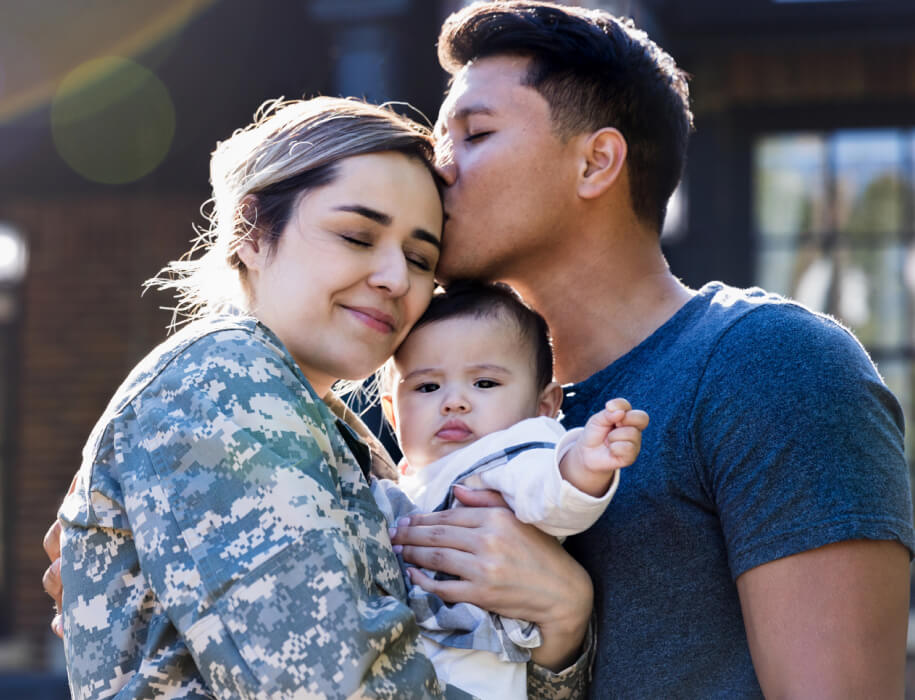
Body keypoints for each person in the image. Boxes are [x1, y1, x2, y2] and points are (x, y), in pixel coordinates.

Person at [383, 2, 915, 698]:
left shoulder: (772, 366)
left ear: (595, 162)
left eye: (474, 134)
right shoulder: (438, 400)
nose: (437, 169)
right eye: (435, 142)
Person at [51, 95, 592, 699]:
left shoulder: (339, 431)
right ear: (252, 233)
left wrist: (564, 618)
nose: (394, 278)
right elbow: (332, 687)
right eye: (358, 236)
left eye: (420, 258)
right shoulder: (224, 379)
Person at [371, 280, 648, 699]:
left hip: (475, 671)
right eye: (428, 387)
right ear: (393, 410)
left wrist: (584, 462)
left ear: (544, 407)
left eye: (484, 383)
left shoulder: (506, 453)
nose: (454, 402)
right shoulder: (413, 476)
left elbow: (550, 494)